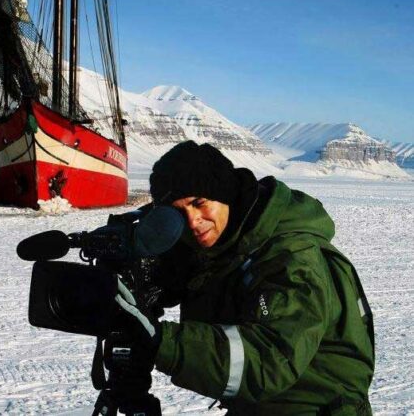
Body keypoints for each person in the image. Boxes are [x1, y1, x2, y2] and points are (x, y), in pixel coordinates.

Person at [109, 140, 375, 415]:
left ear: (225, 194)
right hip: (260, 406)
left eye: (199, 203)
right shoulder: (227, 242)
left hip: (314, 407)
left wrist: (159, 342)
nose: (192, 221)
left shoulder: (291, 257)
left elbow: (270, 360)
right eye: (177, 213)